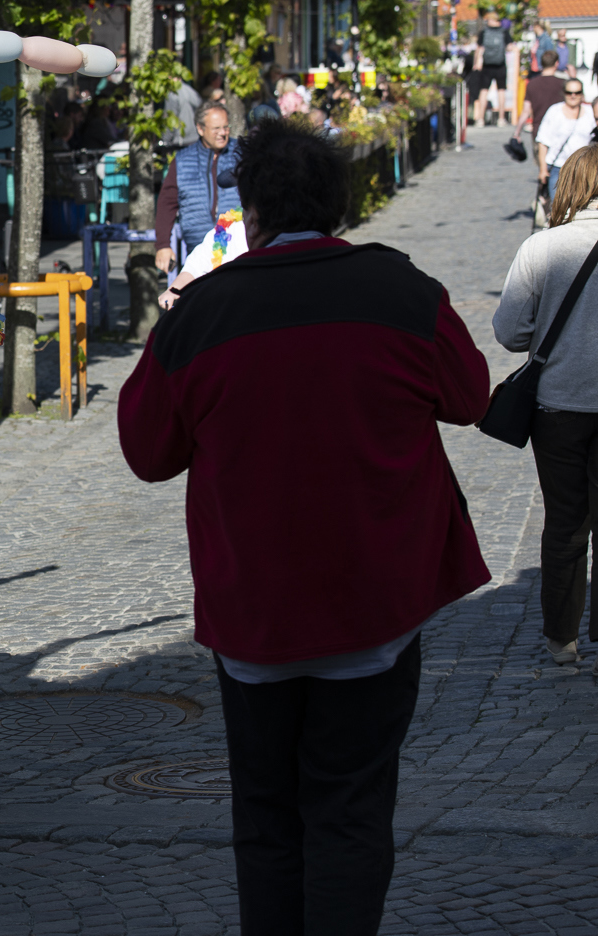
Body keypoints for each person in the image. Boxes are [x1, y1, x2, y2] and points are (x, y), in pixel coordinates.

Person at [118, 116, 490, 934]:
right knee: (351, 814)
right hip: (375, 605)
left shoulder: (202, 313)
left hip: (255, 614)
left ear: (249, 213)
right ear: (338, 208)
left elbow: (146, 451)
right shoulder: (402, 292)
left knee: (266, 819)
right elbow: (471, 396)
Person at [493, 143, 598, 667]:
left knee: (564, 523)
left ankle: (562, 638)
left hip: (558, 407)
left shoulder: (541, 247)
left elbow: (509, 331)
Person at [153, 102, 240, 275]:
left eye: (226, 127)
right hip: (198, 251)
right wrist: (163, 245)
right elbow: (167, 203)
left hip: (238, 250)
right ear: (200, 129)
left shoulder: (242, 154)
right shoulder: (183, 160)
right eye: (216, 128)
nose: (223, 133)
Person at [534, 76, 593, 201]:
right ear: (563, 93)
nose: (573, 96)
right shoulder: (554, 111)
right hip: (558, 168)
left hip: (583, 169)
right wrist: (543, 170)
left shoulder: (590, 113)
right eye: (569, 92)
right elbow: (543, 142)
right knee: (558, 205)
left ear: (582, 94)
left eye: (577, 93)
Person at [514, 49, 568, 146]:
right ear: (556, 63)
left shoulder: (532, 84)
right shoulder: (563, 84)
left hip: (539, 132)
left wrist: (517, 132)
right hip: (560, 132)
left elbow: (526, 111)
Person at [472, 10, 510, 127]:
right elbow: (510, 47)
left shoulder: (484, 32)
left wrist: (476, 63)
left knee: (484, 91)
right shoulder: (504, 32)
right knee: (501, 91)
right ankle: (501, 119)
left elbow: (478, 49)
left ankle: (480, 119)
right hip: (500, 65)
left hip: (487, 65)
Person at [164, 75, 202, 145]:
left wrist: (165, 140)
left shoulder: (173, 94)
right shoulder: (191, 91)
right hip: (195, 137)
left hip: (181, 140)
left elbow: (171, 120)